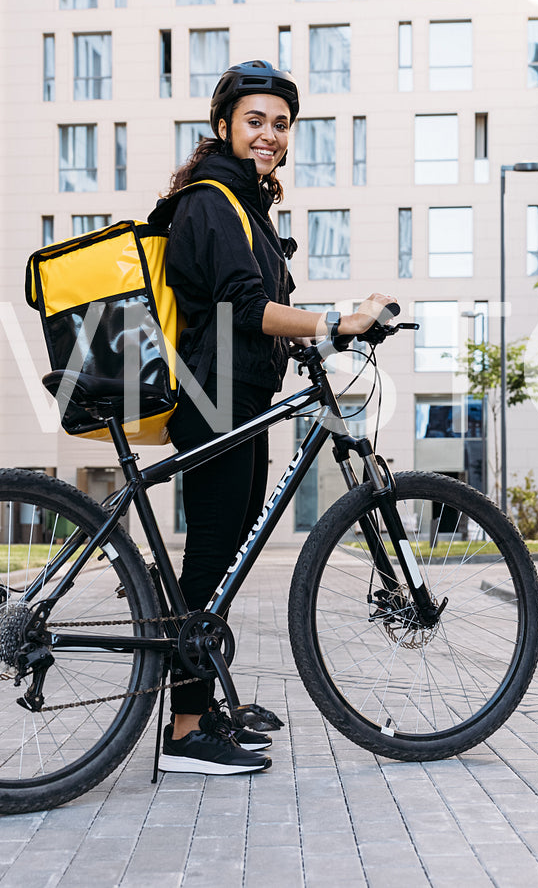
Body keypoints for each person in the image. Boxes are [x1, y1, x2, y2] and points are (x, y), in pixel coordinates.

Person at [157, 61, 396, 775]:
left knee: (224, 561)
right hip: (213, 403)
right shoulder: (209, 203)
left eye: (279, 124)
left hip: (241, 400)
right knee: (208, 561)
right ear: (223, 125)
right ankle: (184, 732)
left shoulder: (246, 206)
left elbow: (252, 317)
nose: (268, 134)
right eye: (254, 120)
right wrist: (335, 320)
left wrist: (321, 332)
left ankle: (205, 710)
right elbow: (239, 307)